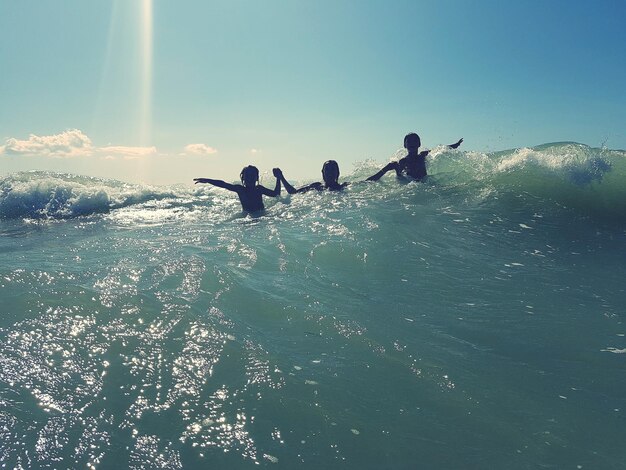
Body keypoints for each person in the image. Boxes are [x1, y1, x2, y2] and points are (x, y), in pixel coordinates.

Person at [367, 133, 463, 182]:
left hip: (423, 185)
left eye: (414, 141)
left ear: (419, 144)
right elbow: (377, 176)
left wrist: (455, 145)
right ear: (405, 145)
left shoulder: (422, 156)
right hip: (408, 187)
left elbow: (440, 149)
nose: (412, 143)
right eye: (409, 142)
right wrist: (364, 183)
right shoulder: (401, 162)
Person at [193, 165, 281, 212]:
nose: (250, 178)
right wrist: (208, 180)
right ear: (243, 178)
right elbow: (223, 184)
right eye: (247, 176)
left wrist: (278, 178)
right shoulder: (241, 190)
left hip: (262, 217)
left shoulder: (259, 189)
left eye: (252, 176)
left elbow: (276, 194)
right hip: (247, 217)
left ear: (257, 178)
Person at [275, 160, 348, 194]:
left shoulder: (343, 186)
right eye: (327, 169)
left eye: (332, 169)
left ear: (337, 172)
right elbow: (293, 192)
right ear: (323, 172)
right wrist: (281, 177)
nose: (330, 172)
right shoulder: (316, 186)